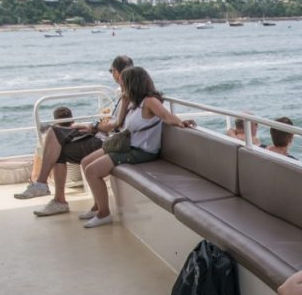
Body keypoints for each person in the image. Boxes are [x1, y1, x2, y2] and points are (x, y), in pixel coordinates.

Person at [15, 55, 134, 216]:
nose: (111, 74)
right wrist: (89, 126)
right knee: (57, 141)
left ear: (117, 73)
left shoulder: (129, 95)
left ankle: (48, 190)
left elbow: (116, 125)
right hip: (105, 136)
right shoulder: (125, 93)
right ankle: (54, 196)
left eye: (111, 71)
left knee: (55, 135)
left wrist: (94, 126)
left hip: (110, 141)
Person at [79, 66, 196, 228]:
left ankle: (104, 214)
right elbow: (119, 124)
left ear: (132, 84)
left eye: (124, 84)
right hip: (128, 146)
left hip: (142, 151)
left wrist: (181, 122)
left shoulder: (150, 102)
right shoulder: (134, 103)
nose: (122, 88)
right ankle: (97, 205)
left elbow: (166, 116)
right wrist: (124, 102)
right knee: (85, 162)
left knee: (92, 171)